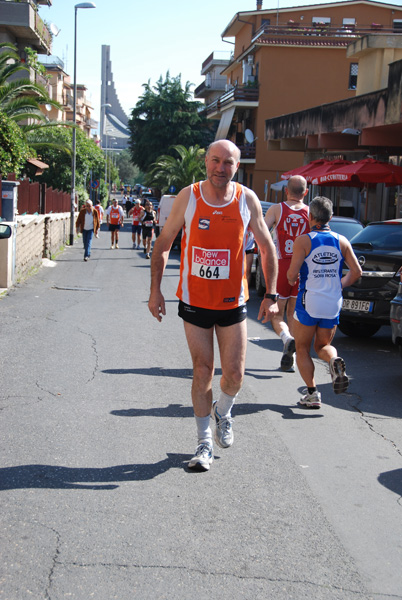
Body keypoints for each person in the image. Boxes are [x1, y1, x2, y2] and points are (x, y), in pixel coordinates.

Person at [148, 140, 278, 471]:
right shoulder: (188, 197)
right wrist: (155, 291)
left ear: (238, 166)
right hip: (194, 301)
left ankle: (224, 410)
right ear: (206, 161)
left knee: (234, 375)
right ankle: (204, 441)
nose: (221, 167)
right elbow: (163, 243)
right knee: (202, 369)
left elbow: (266, 246)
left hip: (233, 301)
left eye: (228, 162)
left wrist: (272, 295)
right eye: (215, 160)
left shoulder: (246, 199)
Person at [287, 196, 362, 409]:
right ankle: (333, 362)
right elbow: (357, 272)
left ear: (310, 216)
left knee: (302, 348)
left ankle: (312, 394)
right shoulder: (342, 240)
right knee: (323, 346)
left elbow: (292, 276)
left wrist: (290, 279)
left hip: (309, 300)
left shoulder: (303, 240)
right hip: (333, 302)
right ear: (331, 217)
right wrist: (340, 284)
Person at [264, 175, 309, 372]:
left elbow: (261, 231)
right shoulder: (311, 212)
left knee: (276, 312)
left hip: (281, 265)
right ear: (305, 193)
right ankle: (288, 353)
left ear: (286, 191)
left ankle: (286, 339)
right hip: (302, 268)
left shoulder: (276, 209)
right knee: (292, 313)